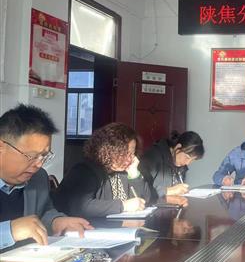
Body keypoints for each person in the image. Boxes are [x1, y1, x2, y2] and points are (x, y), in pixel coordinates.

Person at [0, 104, 91, 250]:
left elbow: (43, 213)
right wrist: (9, 231)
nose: (38, 164)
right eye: (31, 156)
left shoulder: (38, 178)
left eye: (43, 156)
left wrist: (56, 221)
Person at [53, 123, 152, 218]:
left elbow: (144, 201)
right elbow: (78, 206)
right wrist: (123, 206)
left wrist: (134, 175)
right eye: (124, 153)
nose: (129, 159)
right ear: (108, 150)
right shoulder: (84, 171)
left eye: (131, 154)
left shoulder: (127, 171)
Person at [139, 131, 204, 204]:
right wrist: (169, 191)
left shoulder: (180, 165)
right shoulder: (152, 157)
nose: (187, 163)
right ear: (178, 147)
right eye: (187, 157)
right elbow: (140, 190)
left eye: (192, 160)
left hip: (169, 207)